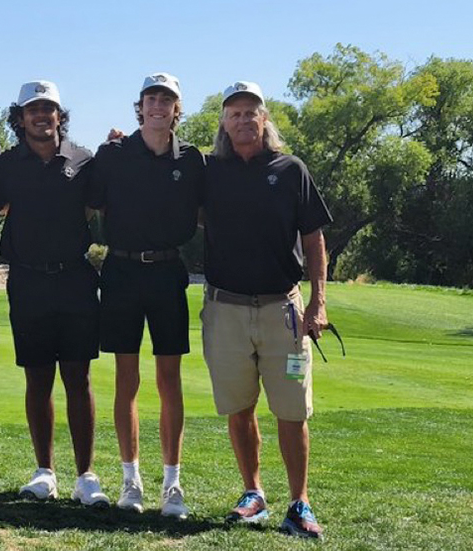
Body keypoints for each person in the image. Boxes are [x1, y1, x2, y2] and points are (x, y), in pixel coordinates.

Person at [202, 81, 331, 539]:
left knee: (292, 411)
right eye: (233, 112)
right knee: (239, 407)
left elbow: (315, 239)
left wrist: (319, 302)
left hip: (284, 311)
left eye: (250, 111)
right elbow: (161, 172)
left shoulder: (291, 169)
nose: (242, 119)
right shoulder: (209, 171)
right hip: (225, 309)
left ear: (264, 118)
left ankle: (299, 502)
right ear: (223, 121)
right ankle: (253, 493)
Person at [90, 73, 203, 516]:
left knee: (169, 381)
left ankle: (172, 485)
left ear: (177, 108)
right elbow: (89, 202)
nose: (159, 105)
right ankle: (130, 480)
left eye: (167, 99)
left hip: (168, 271)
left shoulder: (193, 160)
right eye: (151, 98)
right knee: (126, 380)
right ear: (140, 106)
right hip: (120, 269)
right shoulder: (113, 153)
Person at [0, 81, 108, 507]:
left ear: (60, 115)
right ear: (20, 117)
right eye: (33, 109)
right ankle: (45, 472)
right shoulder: (5, 164)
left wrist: (117, 145)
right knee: (37, 377)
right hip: (27, 279)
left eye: (49, 108)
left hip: (75, 279)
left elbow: (103, 201)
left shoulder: (83, 159)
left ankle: (86, 475)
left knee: (79, 377)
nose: (42, 115)